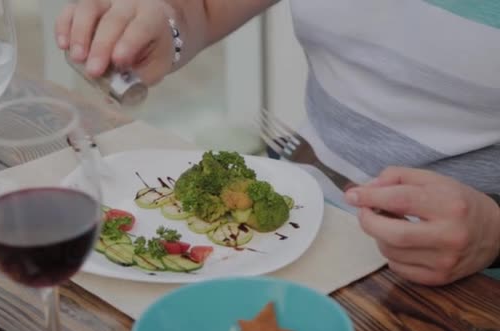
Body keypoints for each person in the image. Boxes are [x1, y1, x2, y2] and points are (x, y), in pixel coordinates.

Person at [55, 0, 500, 285]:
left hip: (470, 280)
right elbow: (205, 9)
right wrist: (164, 22)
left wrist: (493, 233)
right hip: (303, 207)